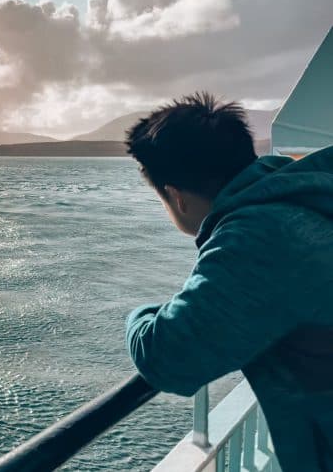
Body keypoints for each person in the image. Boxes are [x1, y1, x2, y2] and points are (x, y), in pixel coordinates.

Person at [124, 92, 333, 471]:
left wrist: (137, 315)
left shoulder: (261, 236)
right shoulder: (308, 197)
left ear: (176, 197)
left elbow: (168, 355)